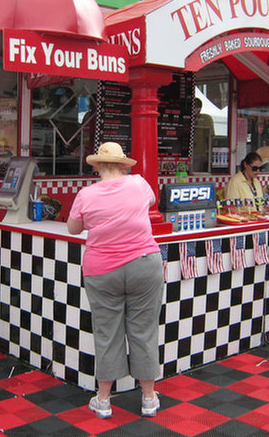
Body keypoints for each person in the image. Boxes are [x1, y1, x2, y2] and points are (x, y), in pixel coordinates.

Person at [66, 142, 163, 419]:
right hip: (144, 264)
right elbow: (152, 202)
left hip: (102, 270)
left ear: (96, 165)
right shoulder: (139, 184)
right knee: (144, 330)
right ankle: (148, 398)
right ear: (123, 164)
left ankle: (104, 400)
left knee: (107, 333)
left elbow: (73, 229)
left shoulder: (86, 194)